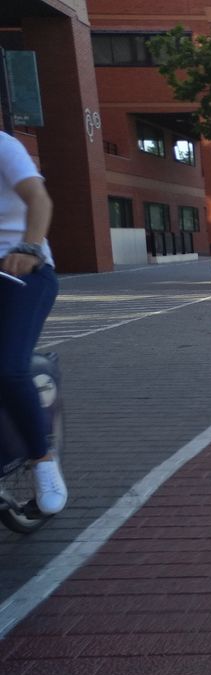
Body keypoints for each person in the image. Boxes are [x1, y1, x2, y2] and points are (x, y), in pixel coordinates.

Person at [0, 131, 66, 515]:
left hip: (23, 271)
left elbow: (38, 198)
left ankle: (42, 460)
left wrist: (29, 246)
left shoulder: (5, 147)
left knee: (7, 368)